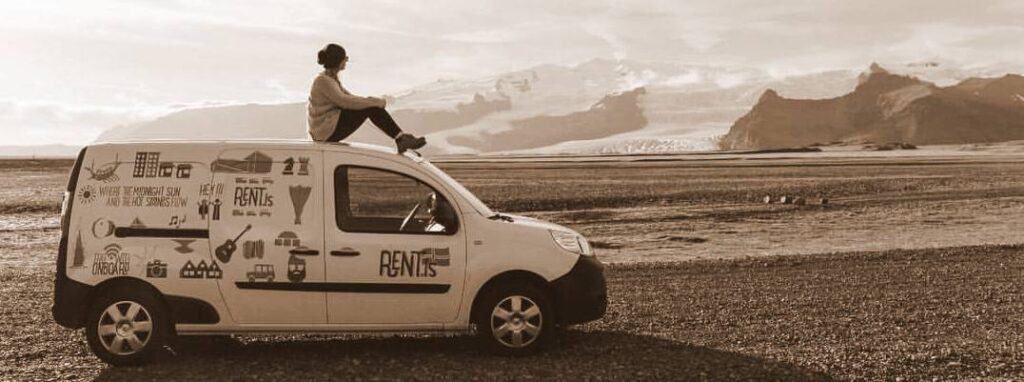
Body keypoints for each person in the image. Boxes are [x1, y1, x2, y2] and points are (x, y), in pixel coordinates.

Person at [307, 43, 426, 153]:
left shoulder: (330, 79)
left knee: (370, 106)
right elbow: (345, 101)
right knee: (371, 108)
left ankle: (401, 138)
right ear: (338, 61)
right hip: (324, 131)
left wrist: (371, 101)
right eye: (345, 58)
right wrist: (373, 103)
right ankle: (401, 139)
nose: (346, 61)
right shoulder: (323, 81)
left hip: (326, 129)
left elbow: (350, 97)